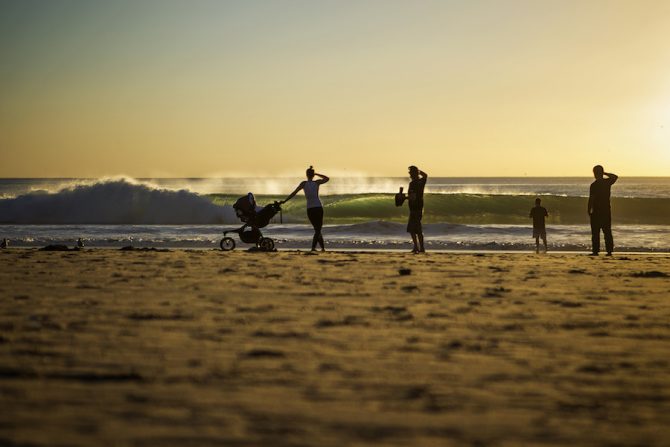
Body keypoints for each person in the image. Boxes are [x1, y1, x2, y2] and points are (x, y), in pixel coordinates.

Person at [282, 166, 329, 251]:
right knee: (317, 229)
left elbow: (294, 193)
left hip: (311, 208)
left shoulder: (304, 183)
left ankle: (321, 248)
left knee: (317, 229)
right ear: (313, 175)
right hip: (318, 207)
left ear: (306, 174)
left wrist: (285, 201)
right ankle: (314, 248)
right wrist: (316, 174)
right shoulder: (317, 182)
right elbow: (327, 178)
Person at [588, 165, 618, 256]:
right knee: (607, 232)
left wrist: (589, 209)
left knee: (595, 232)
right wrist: (604, 173)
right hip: (605, 211)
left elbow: (591, 199)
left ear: (594, 173)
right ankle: (609, 251)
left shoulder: (594, 185)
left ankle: (595, 251)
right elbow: (615, 177)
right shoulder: (607, 182)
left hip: (597, 211)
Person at [405, 166, 427, 253]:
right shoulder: (421, 181)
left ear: (413, 173)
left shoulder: (413, 183)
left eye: (410, 172)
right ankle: (419, 247)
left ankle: (418, 247)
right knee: (416, 229)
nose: (409, 174)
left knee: (413, 229)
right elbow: (425, 175)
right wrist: (419, 171)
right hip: (419, 207)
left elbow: (412, 197)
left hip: (415, 208)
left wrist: (403, 197)